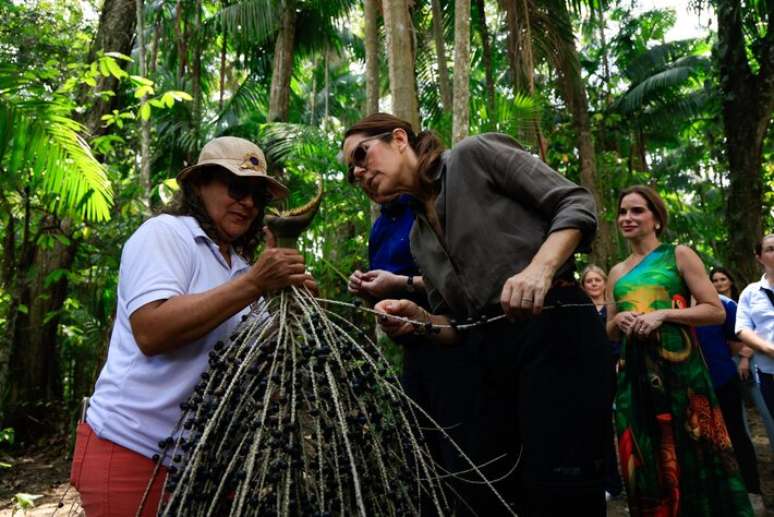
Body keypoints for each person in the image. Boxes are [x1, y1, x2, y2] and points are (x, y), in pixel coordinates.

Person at [342, 113, 610, 516]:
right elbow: (458, 326)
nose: (360, 172)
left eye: (362, 155)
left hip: (557, 330)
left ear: (400, 139)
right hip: (492, 360)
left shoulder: (473, 155)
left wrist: (540, 268)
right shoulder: (418, 238)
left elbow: (576, 202)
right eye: (352, 172)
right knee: (505, 494)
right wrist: (417, 318)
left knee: (562, 488)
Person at [69, 137, 315, 516]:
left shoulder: (241, 267)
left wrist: (294, 304)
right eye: (236, 188)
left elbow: (264, 360)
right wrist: (255, 285)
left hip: (203, 466)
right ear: (199, 186)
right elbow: (152, 331)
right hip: (131, 448)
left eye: (256, 194)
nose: (247, 202)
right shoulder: (167, 234)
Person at [606, 185, 752, 516]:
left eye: (637, 210)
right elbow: (609, 328)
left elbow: (714, 310)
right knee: (644, 450)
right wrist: (622, 320)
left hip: (680, 371)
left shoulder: (679, 254)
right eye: (623, 212)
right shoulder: (616, 271)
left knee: (693, 447)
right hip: (635, 374)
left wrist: (665, 314)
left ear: (656, 219)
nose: (627, 218)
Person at [695, 288, 763, 507]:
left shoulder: (722, 304)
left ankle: (752, 491)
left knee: (736, 434)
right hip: (689, 389)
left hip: (722, 380)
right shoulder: (666, 305)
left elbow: (736, 343)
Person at [580, 265, 623, 502]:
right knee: (602, 427)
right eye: (589, 281)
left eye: (598, 280)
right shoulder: (580, 309)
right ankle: (610, 482)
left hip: (618, 367)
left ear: (606, 283)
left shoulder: (613, 306)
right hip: (591, 374)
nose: (594, 284)